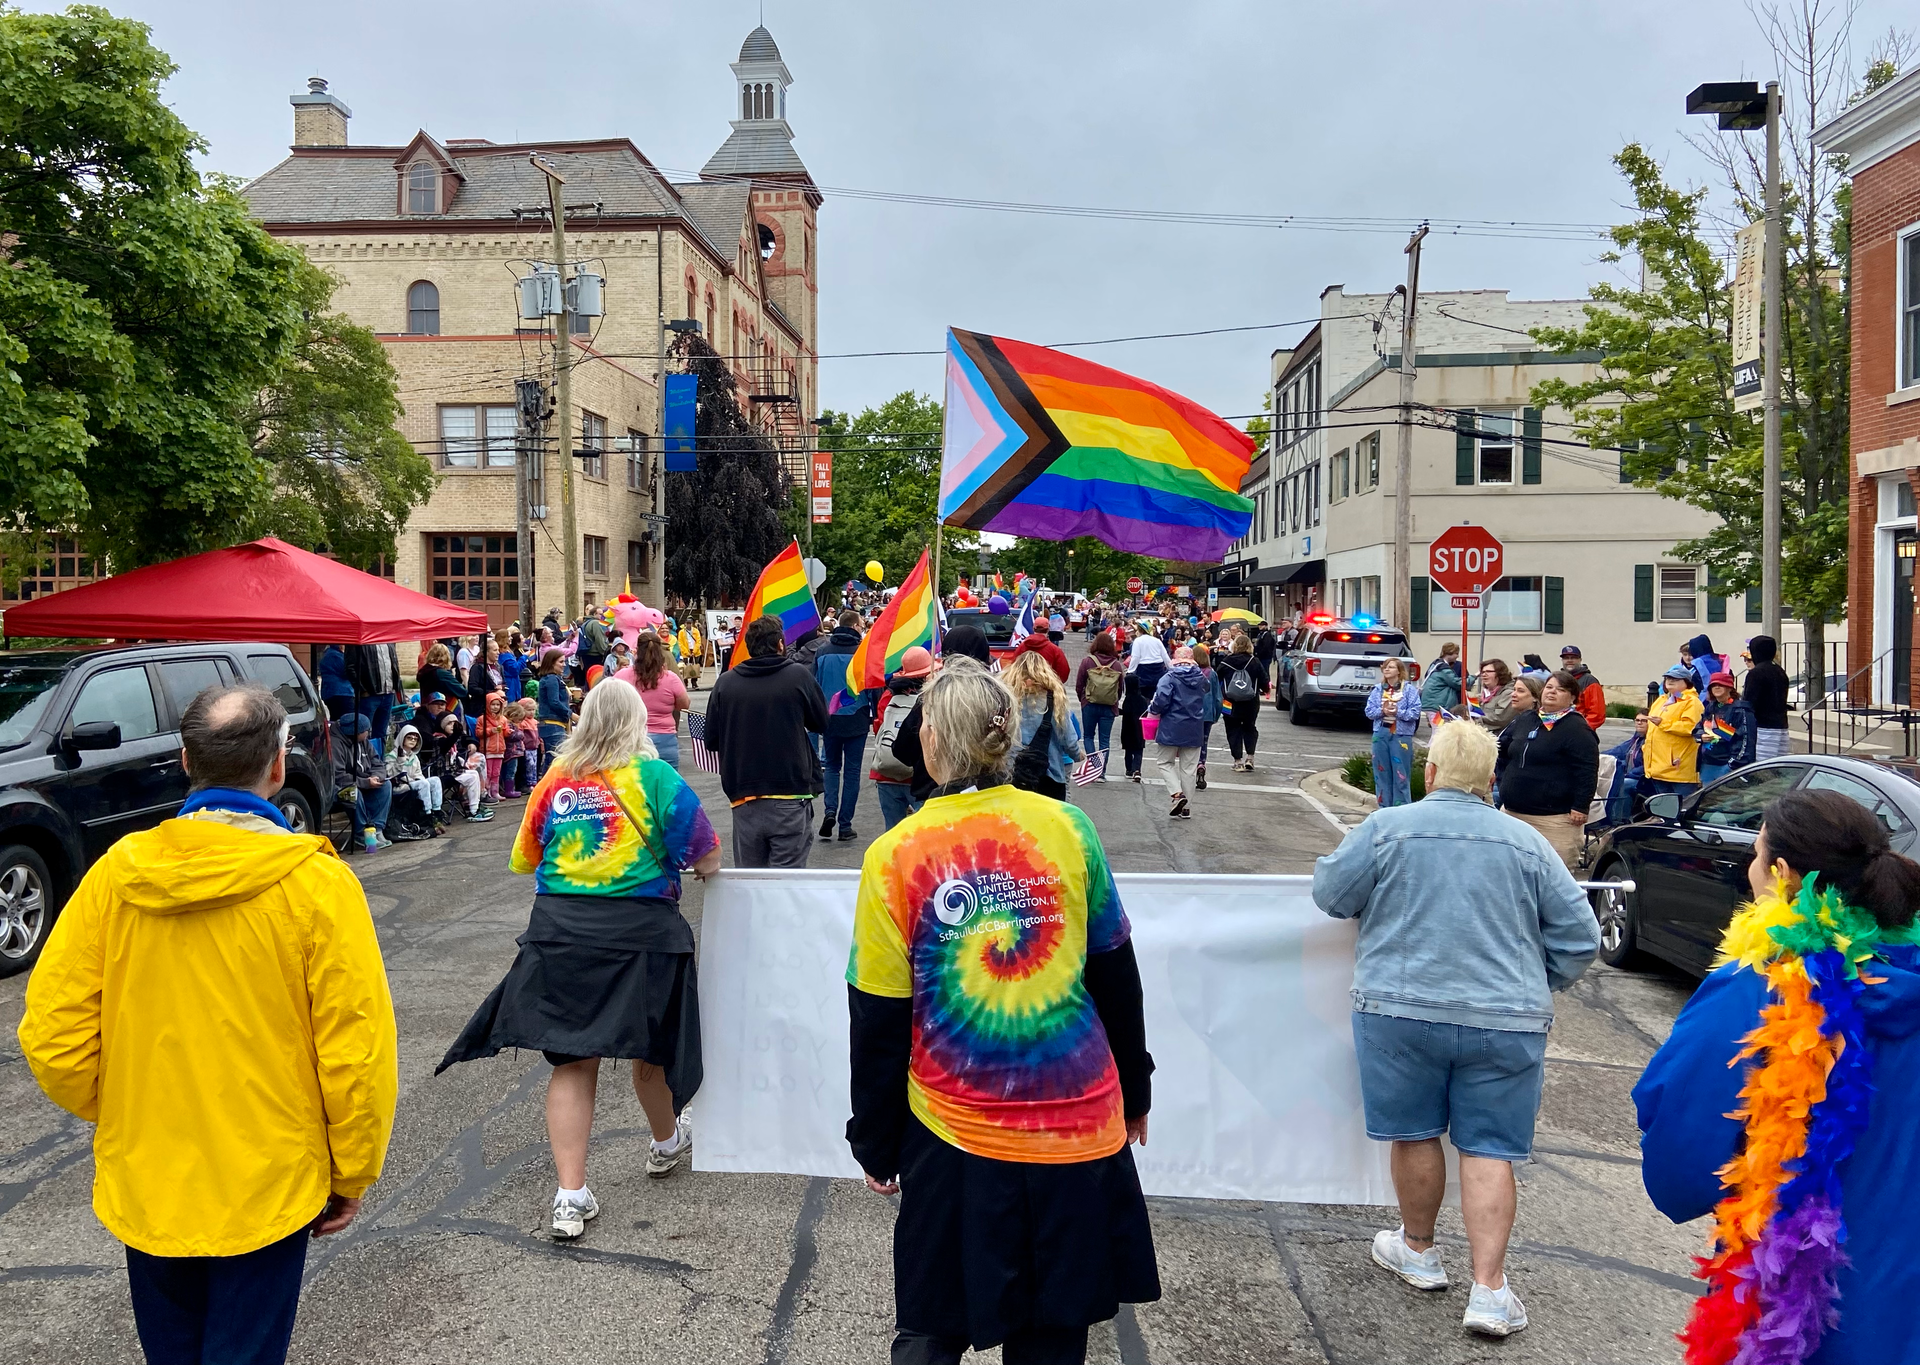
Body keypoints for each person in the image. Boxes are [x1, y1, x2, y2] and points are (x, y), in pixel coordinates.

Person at [20, 683, 397, 1365]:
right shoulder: (317, 886)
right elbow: (356, 1049)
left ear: (185, 760)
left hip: (153, 1172)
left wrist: (125, 1106)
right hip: (269, 1178)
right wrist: (352, 1168)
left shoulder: (116, 878)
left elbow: (52, 1031)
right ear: (278, 766)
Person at [845, 663, 1160, 1365]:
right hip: (1076, 1125)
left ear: (932, 740)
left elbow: (878, 1014)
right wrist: (1135, 1089)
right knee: (1052, 1335)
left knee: (931, 1322)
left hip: (955, 1133)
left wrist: (876, 1137)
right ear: (1007, 734)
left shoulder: (896, 855)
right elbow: (1116, 972)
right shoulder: (1068, 828)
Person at [1313, 719, 1598, 1339]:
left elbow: (1332, 894)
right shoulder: (1526, 843)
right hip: (1506, 1018)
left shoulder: (1387, 829)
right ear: (1491, 780)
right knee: (1489, 1146)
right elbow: (1581, 938)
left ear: (1431, 773)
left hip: (1400, 1011)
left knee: (1414, 1134)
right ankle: (1489, 1290)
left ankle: (1418, 1249)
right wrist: (1530, 980)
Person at [1633, 788, 1920, 1364]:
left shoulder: (1762, 986)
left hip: (1812, 1298)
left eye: (1758, 853)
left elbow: (1683, 1145)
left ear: (1783, 874)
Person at [439, 678, 720, 1240]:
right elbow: (706, 855)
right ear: (637, 721)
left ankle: (569, 1197)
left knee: (571, 1063)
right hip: (642, 934)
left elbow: (525, 858)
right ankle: (666, 1142)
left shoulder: (555, 780)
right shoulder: (655, 777)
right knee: (652, 1047)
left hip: (561, 933)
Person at [705, 613, 829, 867]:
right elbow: (821, 722)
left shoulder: (726, 683)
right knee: (785, 886)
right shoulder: (798, 677)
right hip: (789, 795)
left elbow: (711, 740)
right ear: (780, 644)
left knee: (751, 885)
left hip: (744, 797)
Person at [1494, 670, 1600, 871]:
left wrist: (1581, 806)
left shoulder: (1577, 728)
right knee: (1508, 872)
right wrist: (1503, 780)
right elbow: (1503, 751)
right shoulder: (1526, 719)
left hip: (1554, 821)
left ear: (1572, 698)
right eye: (1549, 687)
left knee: (1553, 877)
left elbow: (1587, 769)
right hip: (1512, 814)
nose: (1552, 692)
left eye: (1560, 690)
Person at [893, 624, 991, 810]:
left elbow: (902, 750)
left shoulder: (931, 698)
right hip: (986, 795)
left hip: (933, 794)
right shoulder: (995, 696)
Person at [811, 611, 881, 841]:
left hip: (829, 718)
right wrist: (875, 714)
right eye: (861, 624)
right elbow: (872, 687)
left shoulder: (822, 651)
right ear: (854, 626)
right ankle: (845, 824)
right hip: (856, 717)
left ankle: (829, 809)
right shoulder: (862, 653)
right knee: (852, 772)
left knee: (831, 767)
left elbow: (814, 684)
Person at [1006, 648, 1086, 801]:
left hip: (1013, 775)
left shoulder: (1007, 699)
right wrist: (1077, 755)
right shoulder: (1054, 700)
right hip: (1049, 774)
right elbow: (1068, 740)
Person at [869, 646, 932, 830]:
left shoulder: (888, 696)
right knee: (924, 836)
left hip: (886, 772)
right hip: (919, 776)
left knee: (893, 834)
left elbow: (879, 728)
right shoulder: (931, 697)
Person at [1147, 645, 1208, 819]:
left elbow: (1160, 701)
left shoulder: (1169, 677)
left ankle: (1176, 793)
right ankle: (1187, 807)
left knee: (1165, 762)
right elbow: (1207, 691)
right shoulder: (1201, 678)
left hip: (1171, 726)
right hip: (1194, 727)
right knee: (1189, 769)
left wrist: (1153, 709)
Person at [1365, 658, 1423, 807]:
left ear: (1399, 671)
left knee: (1401, 775)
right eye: (1385, 667)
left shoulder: (1409, 690)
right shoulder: (1378, 689)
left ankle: (1401, 808)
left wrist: (1398, 712)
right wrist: (1382, 711)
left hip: (1401, 736)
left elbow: (1415, 713)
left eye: (1391, 667)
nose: (1387, 669)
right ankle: (1383, 807)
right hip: (1381, 734)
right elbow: (1369, 711)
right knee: (1381, 774)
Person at [627, 633, 690, 768]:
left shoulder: (622, 676)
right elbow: (684, 705)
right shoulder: (670, 678)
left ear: (637, 650)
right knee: (667, 785)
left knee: (634, 784)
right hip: (664, 739)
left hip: (631, 737)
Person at [332, 711, 392, 851]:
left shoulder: (364, 742)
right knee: (353, 792)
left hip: (364, 780)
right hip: (341, 787)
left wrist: (376, 776)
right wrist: (365, 782)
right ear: (356, 732)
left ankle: (376, 829)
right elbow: (338, 776)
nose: (368, 733)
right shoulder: (336, 744)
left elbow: (377, 763)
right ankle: (361, 833)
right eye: (366, 731)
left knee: (386, 785)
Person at [1643, 664, 1705, 801]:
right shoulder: (1662, 700)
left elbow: (1691, 727)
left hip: (1679, 767)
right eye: (1668, 678)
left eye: (1676, 679)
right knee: (1662, 806)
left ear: (1686, 683)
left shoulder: (1692, 702)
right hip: (1657, 767)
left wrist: (1663, 723)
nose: (1670, 681)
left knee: (1682, 807)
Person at [1214, 633, 1267, 774]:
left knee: (1232, 729)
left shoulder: (1226, 661)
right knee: (1250, 727)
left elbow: (1216, 678)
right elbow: (1264, 680)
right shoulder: (1254, 661)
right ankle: (1250, 757)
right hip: (1251, 701)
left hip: (1229, 702)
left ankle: (1237, 761)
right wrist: (1266, 690)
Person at [1120, 634, 1170, 783]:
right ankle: (1136, 768)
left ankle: (1130, 768)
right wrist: (1171, 668)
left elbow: (1135, 658)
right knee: (1152, 697)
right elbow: (1166, 657)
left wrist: (1130, 671)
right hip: (1156, 672)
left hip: (1143, 671)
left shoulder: (1138, 642)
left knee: (1129, 744)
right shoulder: (1156, 641)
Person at [1075, 632, 1125, 777]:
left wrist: (1082, 699)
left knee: (1089, 736)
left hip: (1089, 704)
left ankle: (1094, 767)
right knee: (1104, 740)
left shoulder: (1088, 661)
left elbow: (1079, 684)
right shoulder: (1116, 665)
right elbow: (1120, 688)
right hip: (1109, 706)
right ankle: (1101, 772)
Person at [1696, 670, 1756, 785]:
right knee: (1708, 802)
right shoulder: (1710, 707)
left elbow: (1746, 740)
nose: (1717, 687)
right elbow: (1698, 728)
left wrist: (1733, 765)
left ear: (1729, 688)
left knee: (1728, 801)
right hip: (1707, 764)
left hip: (1728, 767)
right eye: (1713, 685)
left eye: (1721, 684)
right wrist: (1701, 736)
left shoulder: (1741, 710)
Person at [386, 723, 445, 830]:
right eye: (409, 738)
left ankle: (436, 812)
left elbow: (418, 774)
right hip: (399, 786)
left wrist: (419, 780)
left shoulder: (414, 757)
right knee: (423, 783)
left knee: (435, 780)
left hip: (414, 783)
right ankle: (427, 814)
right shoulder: (392, 755)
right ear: (402, 737)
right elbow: (389, 774)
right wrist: (400, 760)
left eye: (415, 739)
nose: (413, 740)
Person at [1742, 633, 1791, 761]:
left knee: (1762, 770)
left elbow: (1749, 703)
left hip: (1763, 729)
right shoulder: (1780, 671)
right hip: (1781, 727)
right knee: (1779, 768)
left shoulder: (1756, 673)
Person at [1602, 711, 1648, 826]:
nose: (1639, 723)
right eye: (1637, 720)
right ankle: (1602, 818)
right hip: (1629, 775)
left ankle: (1620, 821)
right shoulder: (1635, 739)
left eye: (1644, 721)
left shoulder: (1653, 741)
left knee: (1622, 784)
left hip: (1643, 779)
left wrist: (1627, 774)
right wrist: (1597, 755)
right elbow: (1618, 751)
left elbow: (1648, 765)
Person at [532, 648, 573, 778]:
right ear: (551, 663)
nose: (564, 665)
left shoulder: (554, 679)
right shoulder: (551, 679)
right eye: (561, 662)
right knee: (554, 759)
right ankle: (545, 789)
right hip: (552, 724)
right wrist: (571, 714)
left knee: (553, 759)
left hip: (555, 724)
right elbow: (554, 701)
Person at [1192, 642, 1223, 791]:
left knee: (1191, 742)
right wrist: (1216, 714)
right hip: (1207, 713)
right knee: (1204, 741)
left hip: (1190, 713)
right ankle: (1201, 764)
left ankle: (1191, 768)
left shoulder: (1189, 672)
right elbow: (1218, 697)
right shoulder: (1212, 673)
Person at [1557, 646, 1608, 730]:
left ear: (1580, 660)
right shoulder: (1558, 680)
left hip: (1580, 731)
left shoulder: (1589, 681)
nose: (1569, 660)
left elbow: (1597, 714)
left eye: (1573, 658)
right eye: (1566, 658)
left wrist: (1582, 729)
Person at [417, 642, 472, 713]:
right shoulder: (442, 673)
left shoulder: (425, 670)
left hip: (427, 708)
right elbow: (461, 691)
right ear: (446, 657)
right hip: (443, 711)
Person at [1472, 658, 1521, 732]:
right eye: (1482, 672)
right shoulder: (1484, 694)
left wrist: (1474, 717)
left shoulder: (1508, 694)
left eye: (1488, 671)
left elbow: (1500, 718)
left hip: (1498, 738)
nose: (1484, 674)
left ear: (1499, 673)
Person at [1420, 643, 1463, 715]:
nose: (1458, 656)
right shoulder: (1443, 669)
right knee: (1439, 726)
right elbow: (1457, 683)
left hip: (1431, 704)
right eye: (1456, 653)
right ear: (1450, 652)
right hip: (1436, 707)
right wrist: (1474, 676)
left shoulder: (1435, 664)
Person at [317, 643, 356, 720]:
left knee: (336, 718)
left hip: (331, 692)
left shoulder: (328, 654)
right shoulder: (335, 655)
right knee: (348, 720)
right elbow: (347, 672)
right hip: (342, 692)